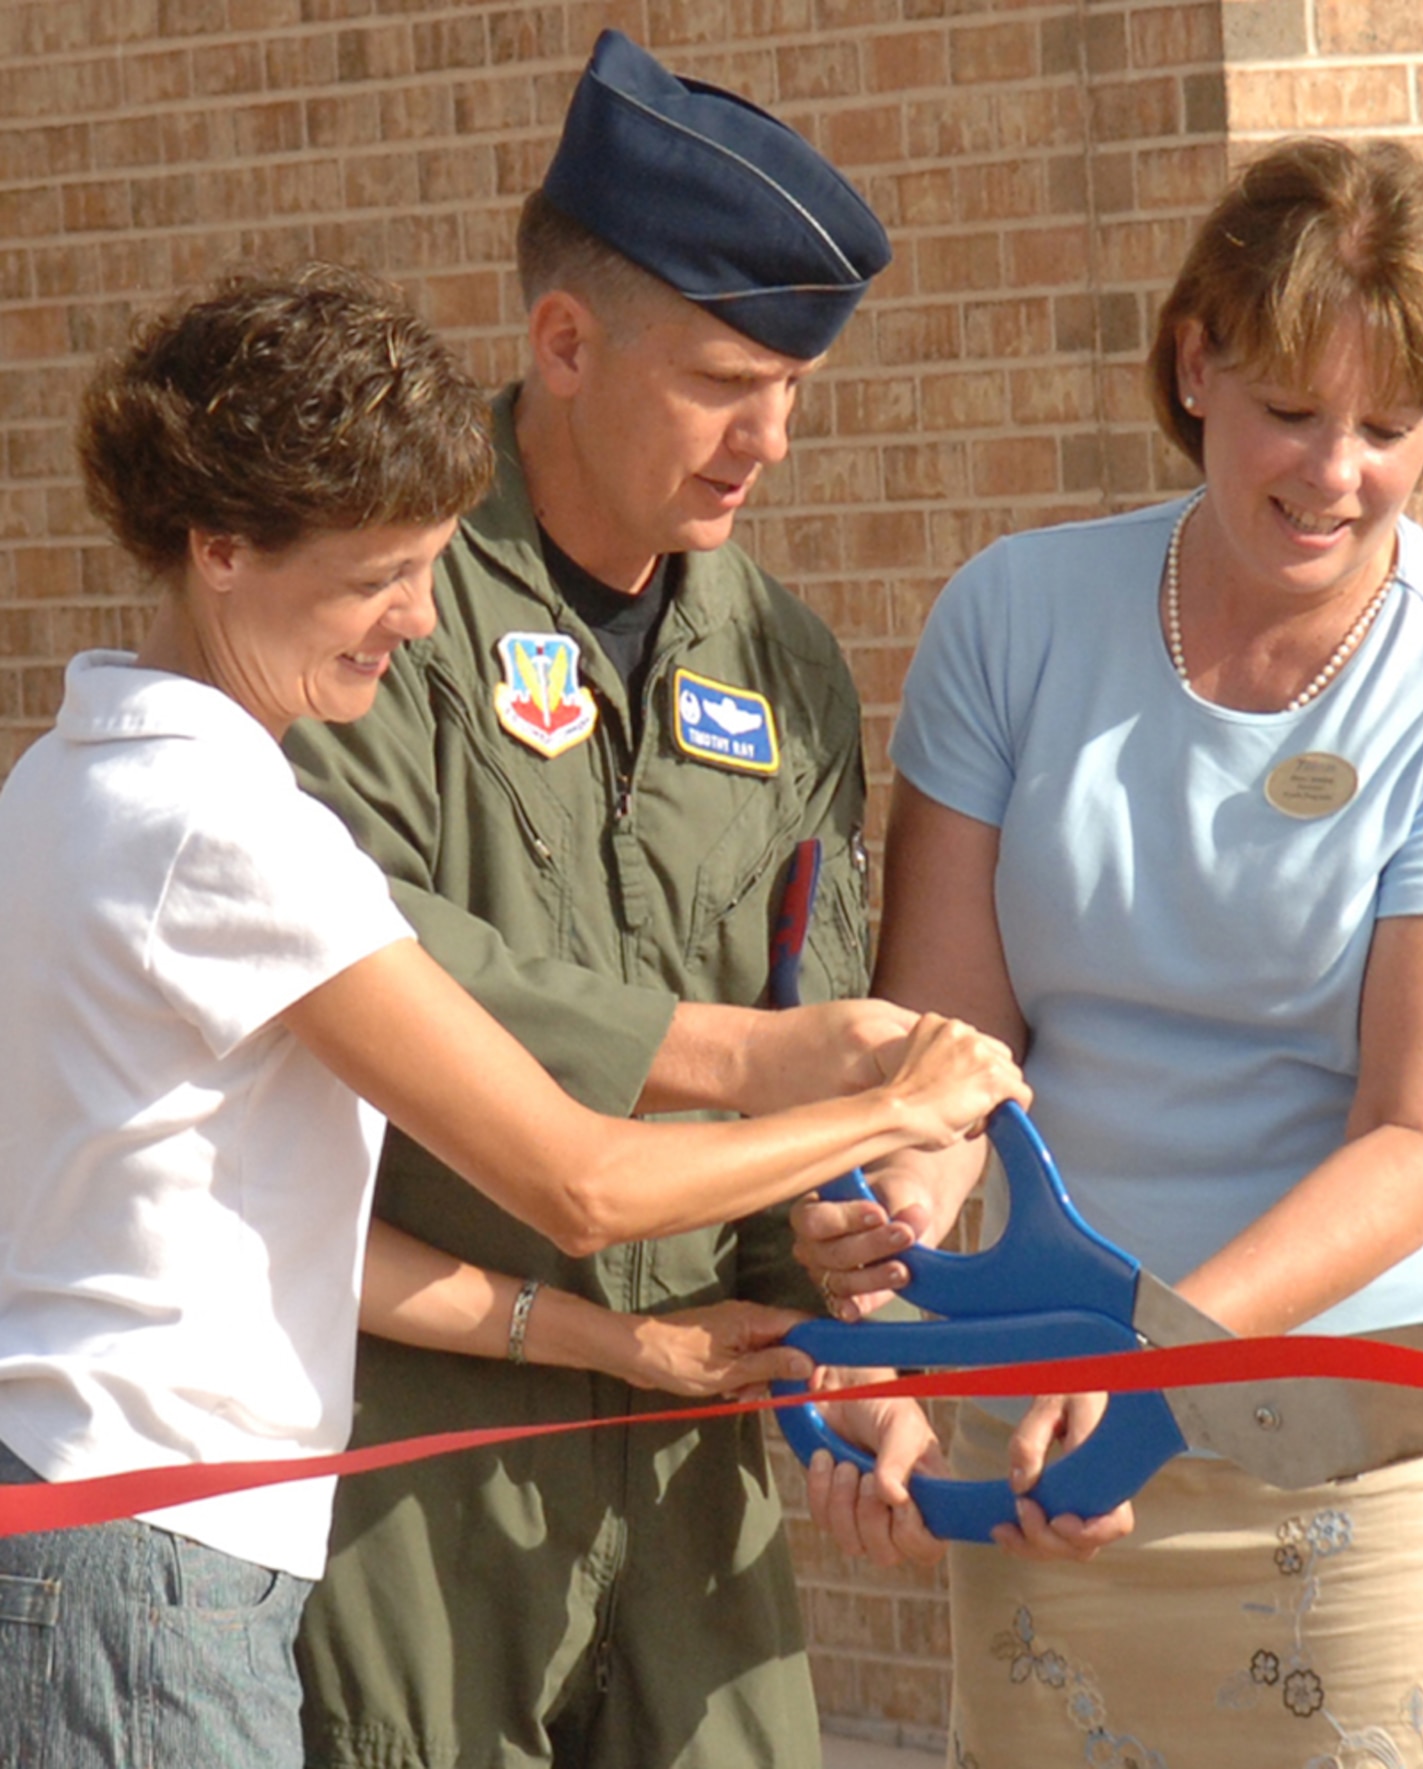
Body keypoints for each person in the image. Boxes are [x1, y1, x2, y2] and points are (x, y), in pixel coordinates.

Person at [0, 264, 1026, 1769]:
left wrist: (617, 1347)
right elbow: (580, 1176)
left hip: (96, 1528)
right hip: (162, 1569)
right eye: (375, 575)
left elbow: (306, 1236)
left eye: (427, 565)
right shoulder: (232, 829)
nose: (418, 620)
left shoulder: (63, 779)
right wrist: (889, 1107)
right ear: (219, 549)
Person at [794, 137, 1423, 1766]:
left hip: (1397, 1441)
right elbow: (947, 1054)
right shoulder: (1014, 616)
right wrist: (894, 1314)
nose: (1336, 470)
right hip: (1076, 1420)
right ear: (1195, 362)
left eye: (1391, 429)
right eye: (1292, 410)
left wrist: (1152, 1353)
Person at [281, 32, 922, 1769]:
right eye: (726, 377)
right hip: (422, 1460)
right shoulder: (378, 595)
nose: (768, 438)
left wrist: (850, 1267)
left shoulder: (780, 658)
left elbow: (814, 1011)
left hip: (699, 1492)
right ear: (563, 341)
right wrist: (744, 1068)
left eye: (791, 385)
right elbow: (380, 959)